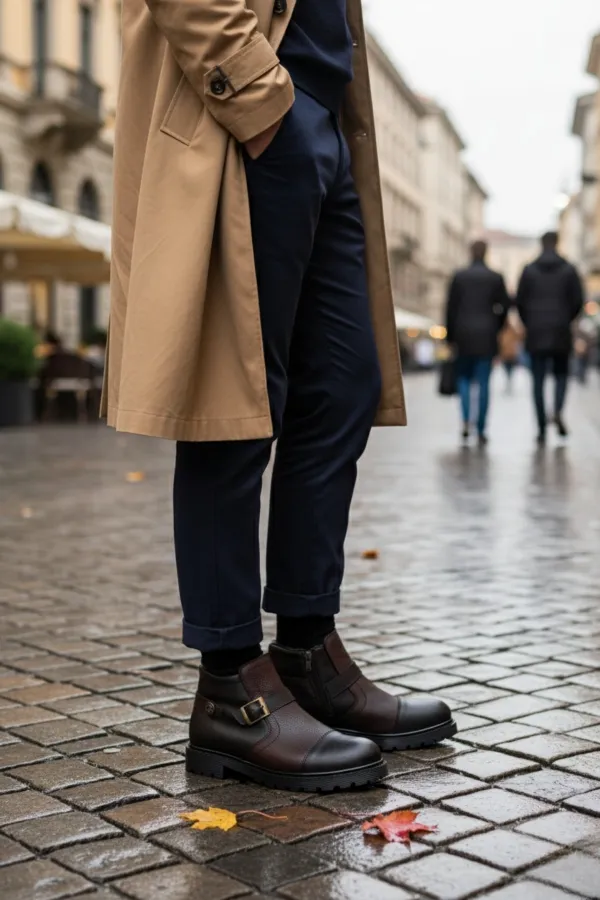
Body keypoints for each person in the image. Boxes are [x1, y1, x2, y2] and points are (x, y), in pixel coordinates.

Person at [102, 0, 455, 792]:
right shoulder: (261, 107)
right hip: (250, 111)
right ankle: (229, 680)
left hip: (323, 121)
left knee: (343, 386)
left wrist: (308, 119)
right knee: (233, 398)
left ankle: (304, 649)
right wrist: (264, 103)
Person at [516, 232, 584, 444]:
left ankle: (541, 427)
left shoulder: (529, 270)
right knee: (561, 375)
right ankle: (557, 410)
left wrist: (530, 322)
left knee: (537, 380)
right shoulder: (569, 269)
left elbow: (519, 301)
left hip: (536, 332)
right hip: (560, 330)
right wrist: (565, 318)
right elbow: (578, 301)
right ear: (557, 243)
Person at [446, 240, 510, 445]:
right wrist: (496, 326)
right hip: (487, 335)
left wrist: (450, 336)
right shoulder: (495, 277)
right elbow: (505, 306)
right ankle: (481, 429)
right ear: (486, 253)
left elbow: (450, 308)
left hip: (462, 334)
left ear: (470, 252)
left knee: (464, 380)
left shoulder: (459, 276)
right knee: (483, 383)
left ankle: (465, 421)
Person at [498, 316, 523, 393]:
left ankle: (509, 383)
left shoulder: (502, 332)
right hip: (508, 355)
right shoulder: (508, 332)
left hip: (508, 355)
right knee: (508, 371)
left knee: (508, 371)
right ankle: (509, 383)